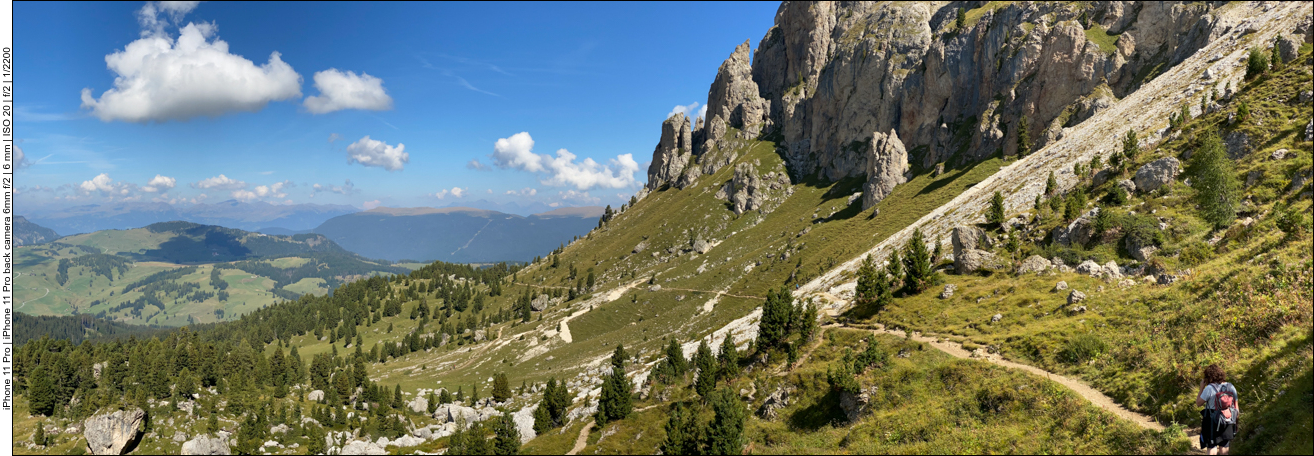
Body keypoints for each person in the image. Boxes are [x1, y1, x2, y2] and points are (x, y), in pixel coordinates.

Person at [1196, 364, 1239, 455]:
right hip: (1227, 419)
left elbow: (1198, 403)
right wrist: (1236, 424)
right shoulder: (1231, 387)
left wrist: (1201, 388)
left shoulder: (1209, 388)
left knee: (1212, 447)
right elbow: (1236, 408)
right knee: (1224, 447)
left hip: (1212, 420)